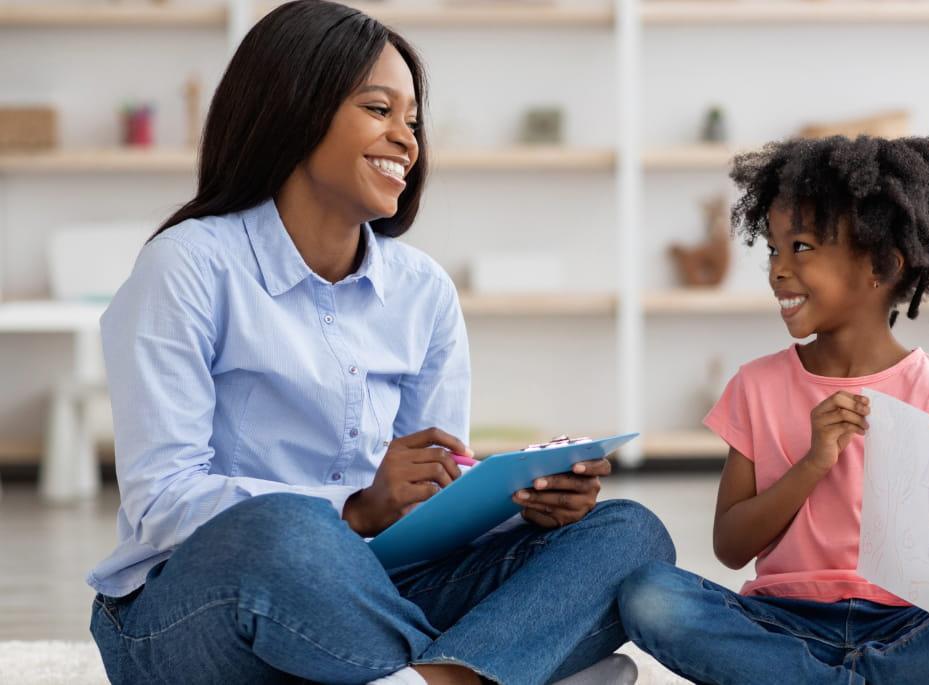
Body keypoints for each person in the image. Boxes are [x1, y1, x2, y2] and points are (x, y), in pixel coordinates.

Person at [86, 3, 673, 683]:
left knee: (629, 533)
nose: (407, 139)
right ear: (296, 109)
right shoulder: (186, 267)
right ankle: (490, 667)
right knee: (287, 531)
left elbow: (433, 509)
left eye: (413, 122)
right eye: (379, 109)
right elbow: (163, 503)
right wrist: (356, 506)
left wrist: (528, 510)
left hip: (373, 594)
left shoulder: (423, 291)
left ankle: (430, 677)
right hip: (193, 613)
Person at [617, 135, 929, 684]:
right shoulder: (756, 386)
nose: (779, 269)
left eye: (800, 247)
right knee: (649, 594)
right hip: (781, 619)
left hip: (905, 623)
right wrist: (812, 464)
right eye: (774, 250)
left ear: (880, 266)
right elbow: (730, 548)